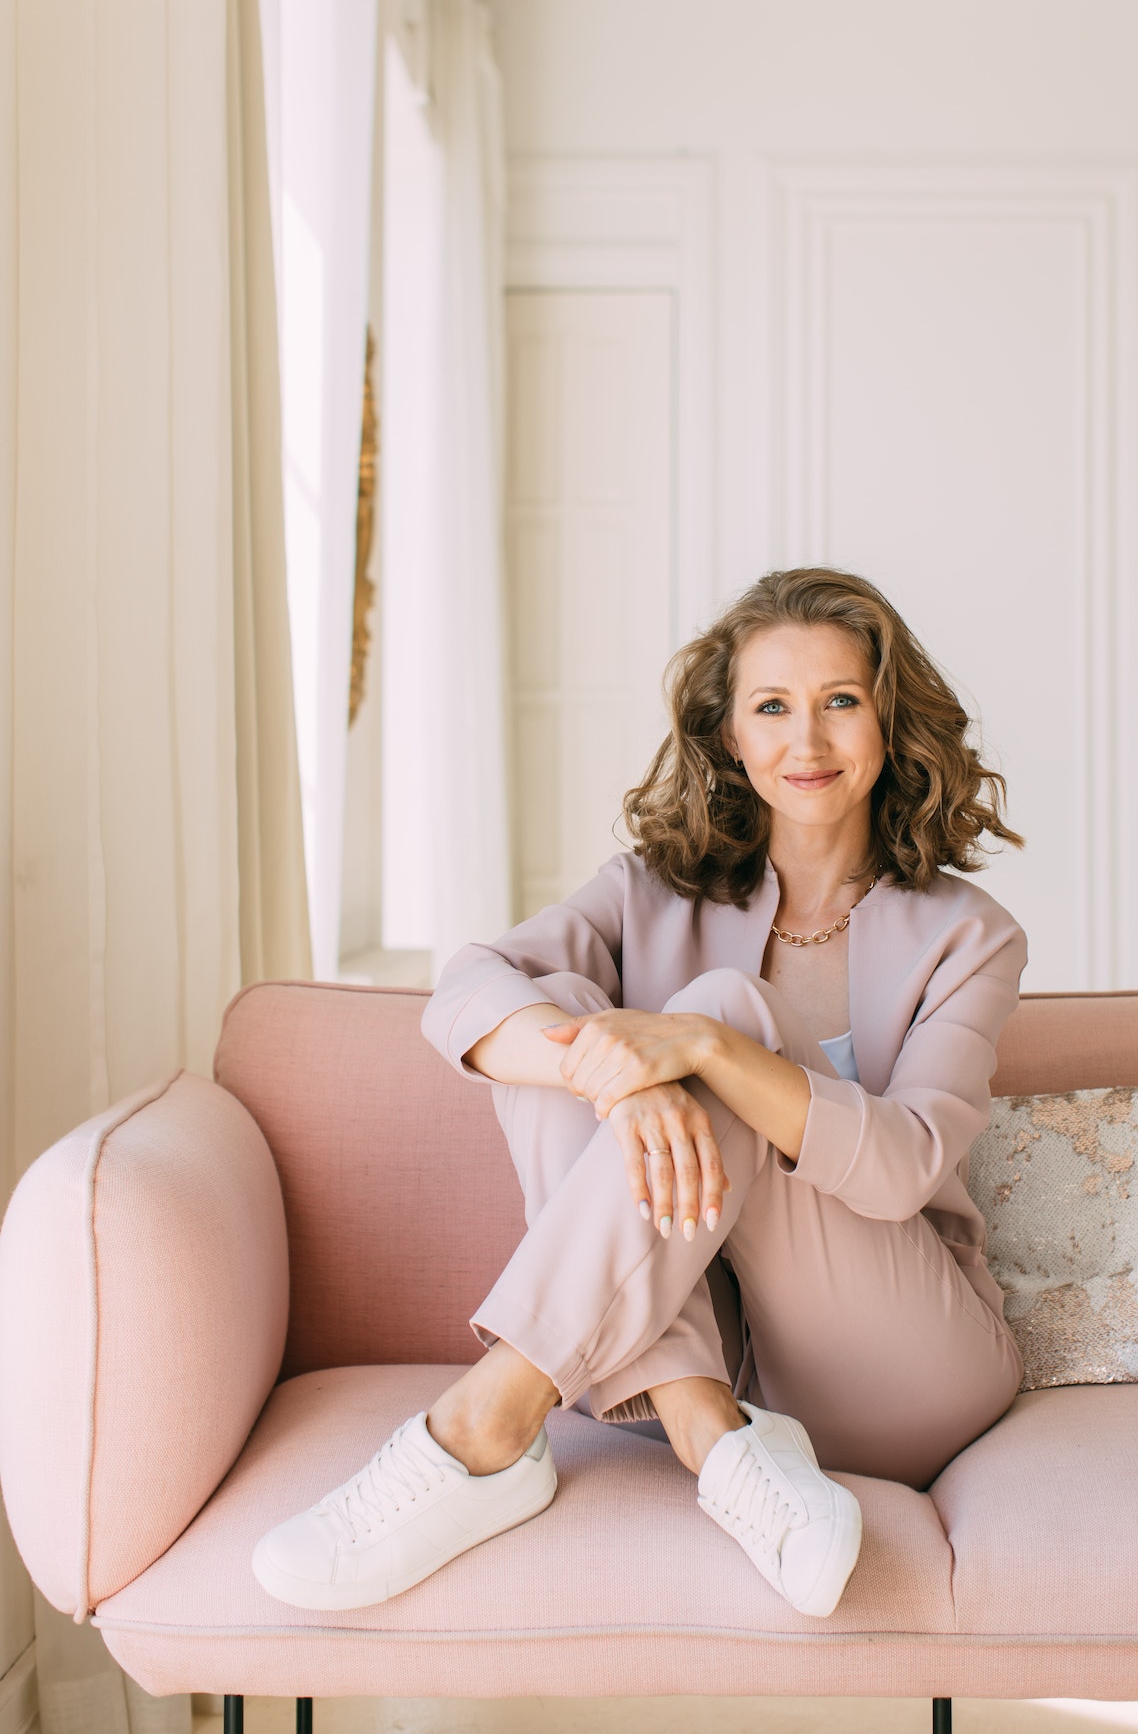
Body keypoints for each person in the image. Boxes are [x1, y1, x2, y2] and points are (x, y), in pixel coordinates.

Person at [253, 566, 1027, 1619]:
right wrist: (624, 1085)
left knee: (710, 1011)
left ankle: (483, 1426)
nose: (807, 740)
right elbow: (466, 991)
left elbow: (901, 1169)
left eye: (840, 700)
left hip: (904, 1362)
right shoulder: (646, 892)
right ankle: (716, 1434)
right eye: (771, 706)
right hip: (701, 1362)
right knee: (560, 1011)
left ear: (889, 720)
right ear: (729, 736)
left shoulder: (966, 934)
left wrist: (705, 1042)